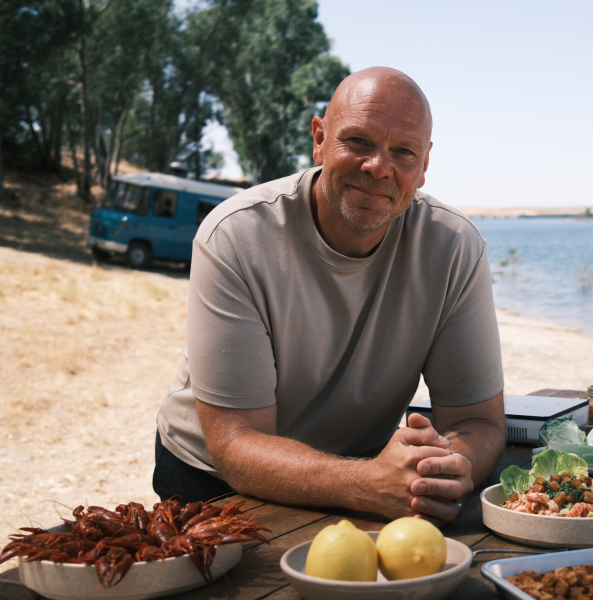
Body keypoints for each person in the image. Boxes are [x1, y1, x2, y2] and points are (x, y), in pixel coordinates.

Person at [153, 67, 506, 525]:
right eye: (358, 141)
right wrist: (370, 484)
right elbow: (236, 443)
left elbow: (478, 421)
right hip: (212, 479)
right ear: (319, 138)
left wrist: (446, 470)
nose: (379, 166)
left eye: (403, 151)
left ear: (424, 166)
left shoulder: (454, 247)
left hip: (361, 470)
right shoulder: (235, 236)